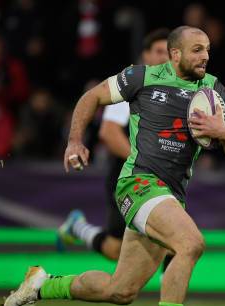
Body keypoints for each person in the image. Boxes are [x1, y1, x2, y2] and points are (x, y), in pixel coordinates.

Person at [1, 26, 225, 306]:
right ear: (175, 53)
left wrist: (221, 131)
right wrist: (75, 141)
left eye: (207, 49)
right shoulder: (141, 77)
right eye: (196, 50)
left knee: (121, 290)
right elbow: (91, 98)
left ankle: (41, 285)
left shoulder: (213, 88)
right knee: (190, 243)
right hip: (138, 183)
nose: (205, 56)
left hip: (169, 194)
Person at [57, 28, 169, 261]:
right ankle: (77, 226)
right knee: (115, 250)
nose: (164, 58)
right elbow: (109, 133)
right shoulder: (132, 83)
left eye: (169, 52)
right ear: (145, 55)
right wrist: (145, 164)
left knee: (173, 238)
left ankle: (171, 294)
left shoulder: (178, 89)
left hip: (161, 177)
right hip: (127, 176)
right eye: (158, 51)